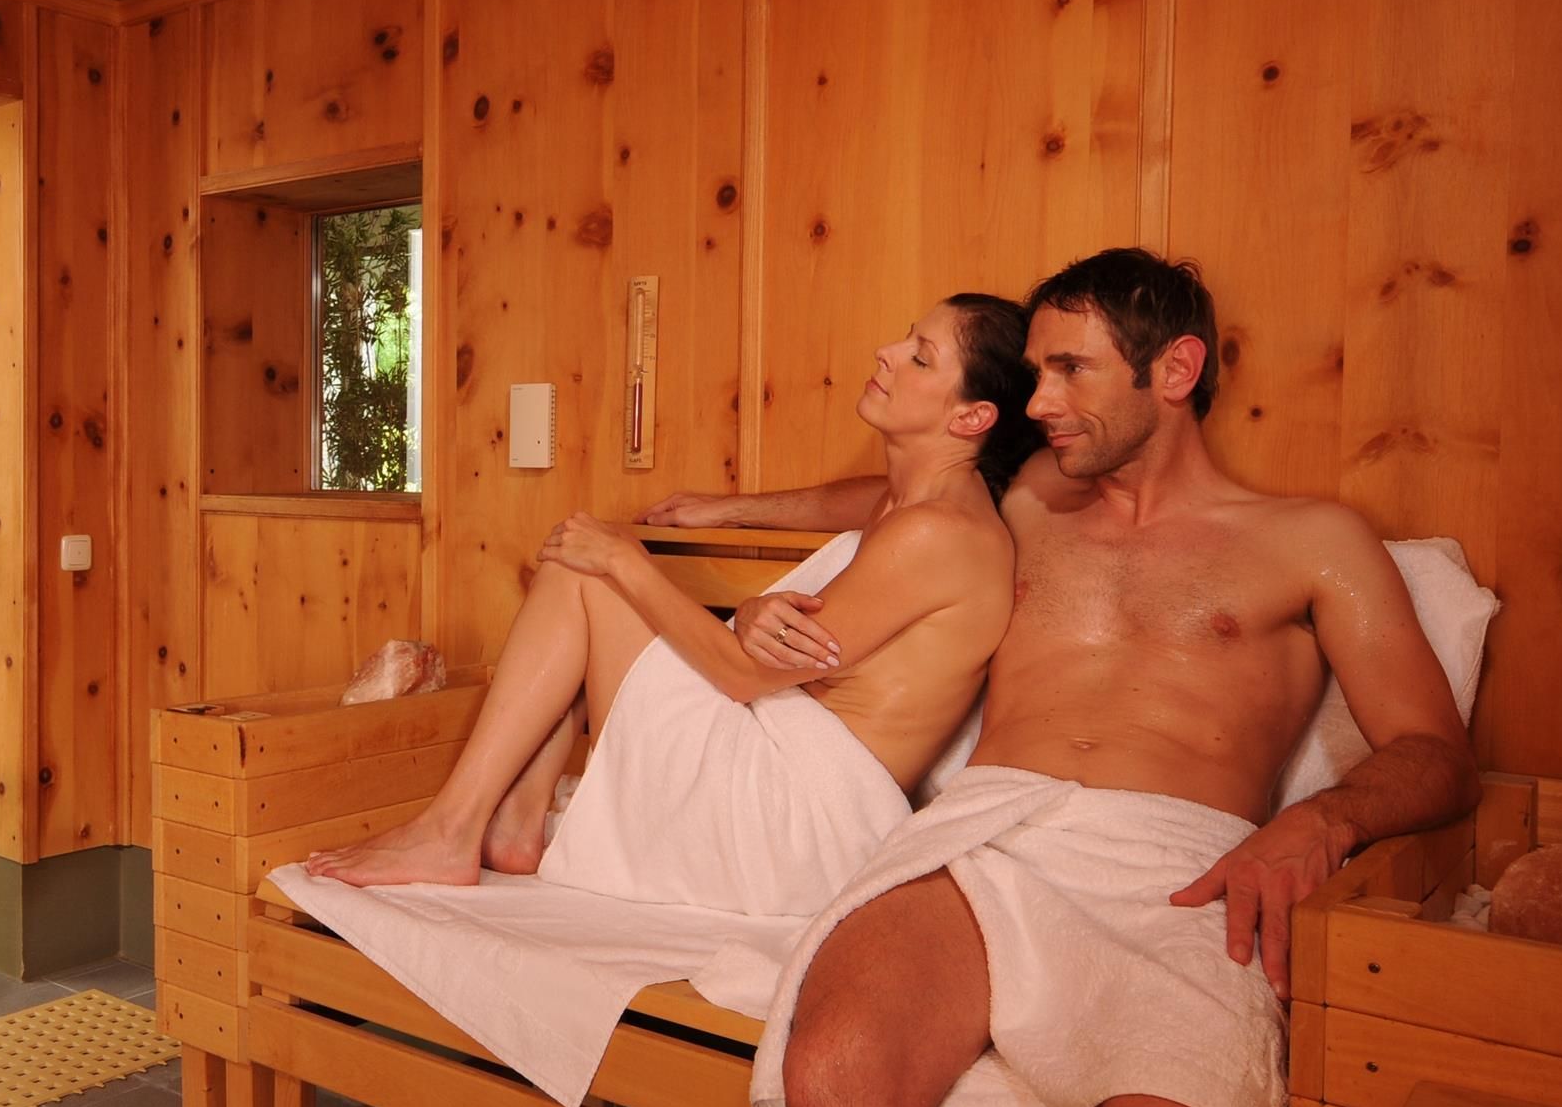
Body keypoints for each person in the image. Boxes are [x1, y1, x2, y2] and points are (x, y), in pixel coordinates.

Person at [645, 248, 1480, 1107]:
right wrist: (725, 516)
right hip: (986, 827)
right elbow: (894, 492)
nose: (1036, 401)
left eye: (1068, 370)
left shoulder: (1309, 542)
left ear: (1174, 370)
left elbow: (1433, 753)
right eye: (1032, 372)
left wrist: (1318, 821)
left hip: (1177, 858)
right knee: (834, 1071)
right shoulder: (1029, 497)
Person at [303, 295, 1044, 897]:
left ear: (971, 417)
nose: (887, 352)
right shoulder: (925, 499)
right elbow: (855, 499)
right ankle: (511, 824)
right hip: (792, 781)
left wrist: (630, 563)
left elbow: (744, 674)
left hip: (791, 825)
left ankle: (452, 830)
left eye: (920, 357)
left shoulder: (935, 534)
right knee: (592, 570)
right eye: (904, 338)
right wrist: (730, 509)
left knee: (586, 570)